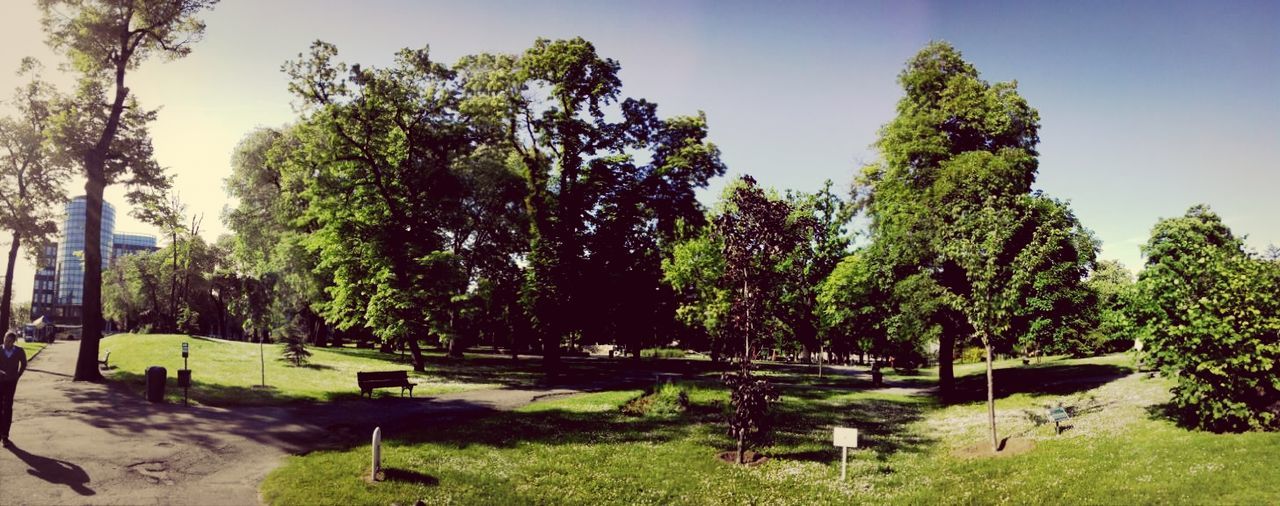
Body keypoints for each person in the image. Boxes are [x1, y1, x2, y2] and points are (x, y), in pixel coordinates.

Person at [1, 331, 28, 447]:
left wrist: (18, 375)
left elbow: (24, 363)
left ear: (14, 342)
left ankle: (5, 435)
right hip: (0, 381)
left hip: (11, 382)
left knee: (7, 407)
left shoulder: (19, 351)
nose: (7, 342)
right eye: (6, 340)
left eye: (10, 341)